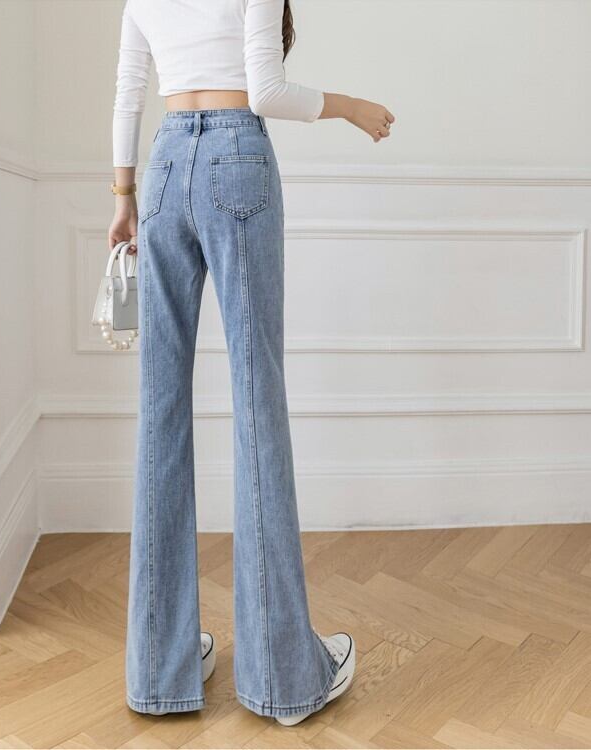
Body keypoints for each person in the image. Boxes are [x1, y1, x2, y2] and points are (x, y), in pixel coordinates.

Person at [108, 0, 394, 727]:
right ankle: (282, 678)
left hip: (163, 166)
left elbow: (129, 90)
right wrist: (351, 106)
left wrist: (123, 196)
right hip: (238, 159)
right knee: (257, 400)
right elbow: (265, 92)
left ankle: (158, 669)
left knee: (160, 409)